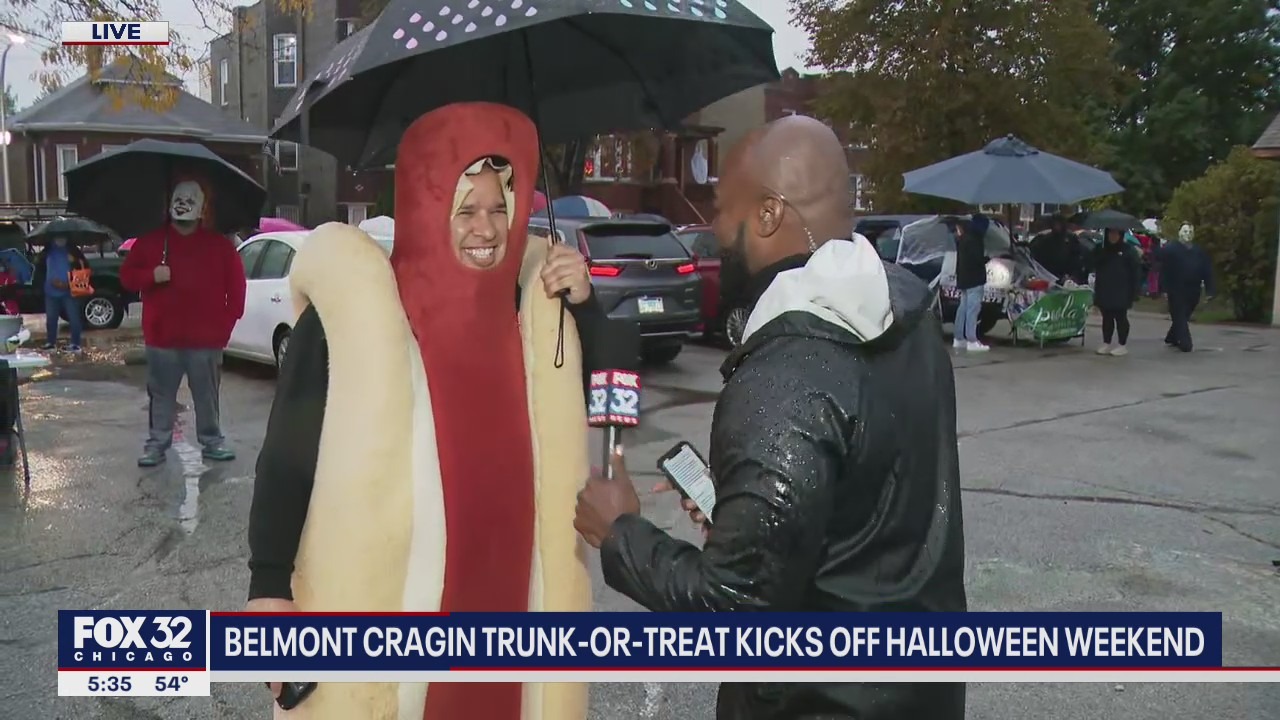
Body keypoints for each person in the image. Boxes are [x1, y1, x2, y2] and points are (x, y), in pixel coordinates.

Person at [573, 115, 967, 720]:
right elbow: (873, 514)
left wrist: (621, 532)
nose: (711, 227)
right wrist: (751, 518)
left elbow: (732, 607)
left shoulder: (784, 375)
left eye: (720, 209)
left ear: (766, 215)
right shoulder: (909, 320)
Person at [244, 102, 605, 720]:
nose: (486, 229)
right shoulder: (355, 319)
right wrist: (269, 589)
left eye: (499, 209)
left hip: (507, 595)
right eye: (465, 210)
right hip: (399, 612)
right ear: (425, 206)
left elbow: (603, 393)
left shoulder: (533, 312)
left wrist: (587, 307)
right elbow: (285, 458)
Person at [120, 177, 246, 467]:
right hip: (162, 338)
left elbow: (236, 289)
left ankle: (212, 440)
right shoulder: (151, 242)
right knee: (161, 396)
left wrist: (224, 328)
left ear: (202, 208)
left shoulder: (220, 246)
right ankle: (156, 444)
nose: (184, 204)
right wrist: (152, 275)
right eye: (179, 198)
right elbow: (127, 277)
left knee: (207, 396)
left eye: (191, 199)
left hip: (206, 340)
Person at [1157, 223, 1215, 352]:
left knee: (1184, 314)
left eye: (1190, 231)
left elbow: (1207, 270)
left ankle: (1172, 337)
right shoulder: (1170, 249)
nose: (1187, 234)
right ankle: (1185, 343)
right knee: (1179, 315)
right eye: (1185, 231)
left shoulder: (1199, 252)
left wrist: (1210, 290)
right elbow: (1164, 270)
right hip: (1175, 289)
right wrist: (1163, 289)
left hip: (1193, 290)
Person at [1092, 228, 1143, 356]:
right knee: (1107, 317)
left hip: (1122, 289)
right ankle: (1106, 342)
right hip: (1104, 287)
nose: (1112, 236)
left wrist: (1135, 291)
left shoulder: (1128, 251)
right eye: (1110, 233)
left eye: (1115, 233)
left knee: (1120, 317)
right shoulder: (1101, 249)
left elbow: (1136, 271)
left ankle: (1122, 344)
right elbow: (1092, 263)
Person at [35, 236, 88, 352]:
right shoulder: (47, 251)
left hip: (70, 290)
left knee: (74, 318)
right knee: (51, 318)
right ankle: (51, 342)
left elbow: (84, 266)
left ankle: (75, 343)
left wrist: (74, 261)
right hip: (50, 290)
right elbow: (39, 268)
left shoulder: (73, 250)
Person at [953, 213, 989, 352]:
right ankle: (972, 340)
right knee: (973, 310)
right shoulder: (976, 240)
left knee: (963, 308)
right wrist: (986, 259)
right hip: (975, 279)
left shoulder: (963, 239)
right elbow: (977, 260)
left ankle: (958, 338)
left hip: (963, 278)